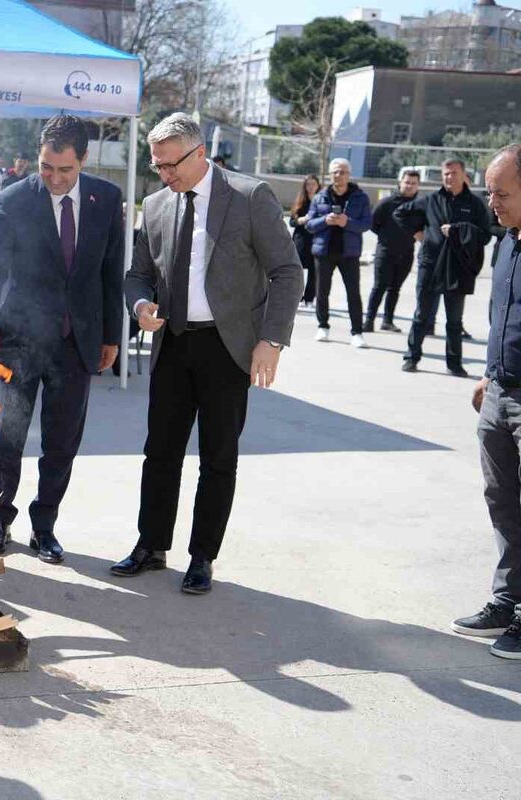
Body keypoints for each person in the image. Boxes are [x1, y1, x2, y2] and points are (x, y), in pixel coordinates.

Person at [111, 113, 302, 594]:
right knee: (160, 452)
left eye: (170, 165)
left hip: (228, 346)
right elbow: (138, 274)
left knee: (218, 456)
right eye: (157, 167)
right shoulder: (155, 206)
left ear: (199, 155)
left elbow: (287, 272)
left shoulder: (249, 196)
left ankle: (202, 556)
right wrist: (140, 305)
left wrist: (271, 340)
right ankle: (151, 546)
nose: (164, 175)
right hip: (173, 341)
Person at [0, 115, 125, 564]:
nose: (55, 179)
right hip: (19, 337)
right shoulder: (13, 200)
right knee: (9, 434)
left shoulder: (106, 199)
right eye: (46, 168)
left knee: (62, 439)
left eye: (65, 170)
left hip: (76, 340)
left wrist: (111, 336)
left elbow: (109, 272)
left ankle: (45, 526)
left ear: (83, 160)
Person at [461, 143, 521, 659]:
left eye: (501, 192)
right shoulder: (504, 243)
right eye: (489, 191)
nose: (492, 202)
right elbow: (502, 318)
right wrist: (488, 376)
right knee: (501, 501)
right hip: (499, 393)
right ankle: (507, 602)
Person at [396, 159, 492, 377]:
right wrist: (418, 234)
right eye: (446, 174)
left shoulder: (475, 204)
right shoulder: (431, 199)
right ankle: (411, 357)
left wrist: (459, 231)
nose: (449, 177)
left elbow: (485, 235)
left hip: (458, 268)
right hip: (430, 265)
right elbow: (400, 213)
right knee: (421, 314)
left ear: (463, 175)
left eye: (453, 173)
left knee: (454, 320)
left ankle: (454, 364)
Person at [306, 158, 372, 348]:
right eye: (335, 172)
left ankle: (357, 332)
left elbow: (367, 223)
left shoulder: (360, 197)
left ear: (349, 175)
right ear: (329, 174)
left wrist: (347, 222)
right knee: (322, 291)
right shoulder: (320, 196)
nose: (338, 175)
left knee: (353, 293)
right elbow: (310, 224)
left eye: (342, 172)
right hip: (324, 252)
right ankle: (323, 326)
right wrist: (325, 220)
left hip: (349, 253)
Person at [365, 170, 422, 332]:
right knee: (379, 286)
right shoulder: (386, 203)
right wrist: (386, 236)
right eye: (407, 182)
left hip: (406, 253)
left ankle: (387, 321)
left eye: (414, 183)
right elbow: (373, 223)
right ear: (400, 183)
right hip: (385, 251)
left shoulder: (420, 205)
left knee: (395, 288)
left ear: (418, 186)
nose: (410, 186)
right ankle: (369, 321)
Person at [288, 175, 320, 307]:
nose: (311, 187)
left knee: (314, 270)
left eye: (313, 184)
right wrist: (300, 220)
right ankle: (297, 297)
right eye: (308, 184)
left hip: (316, 239)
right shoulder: (300, 201)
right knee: (297, 269)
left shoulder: (322, 200)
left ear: (318, 185)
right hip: (301, 239)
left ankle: (309, 298)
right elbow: (292, 222)